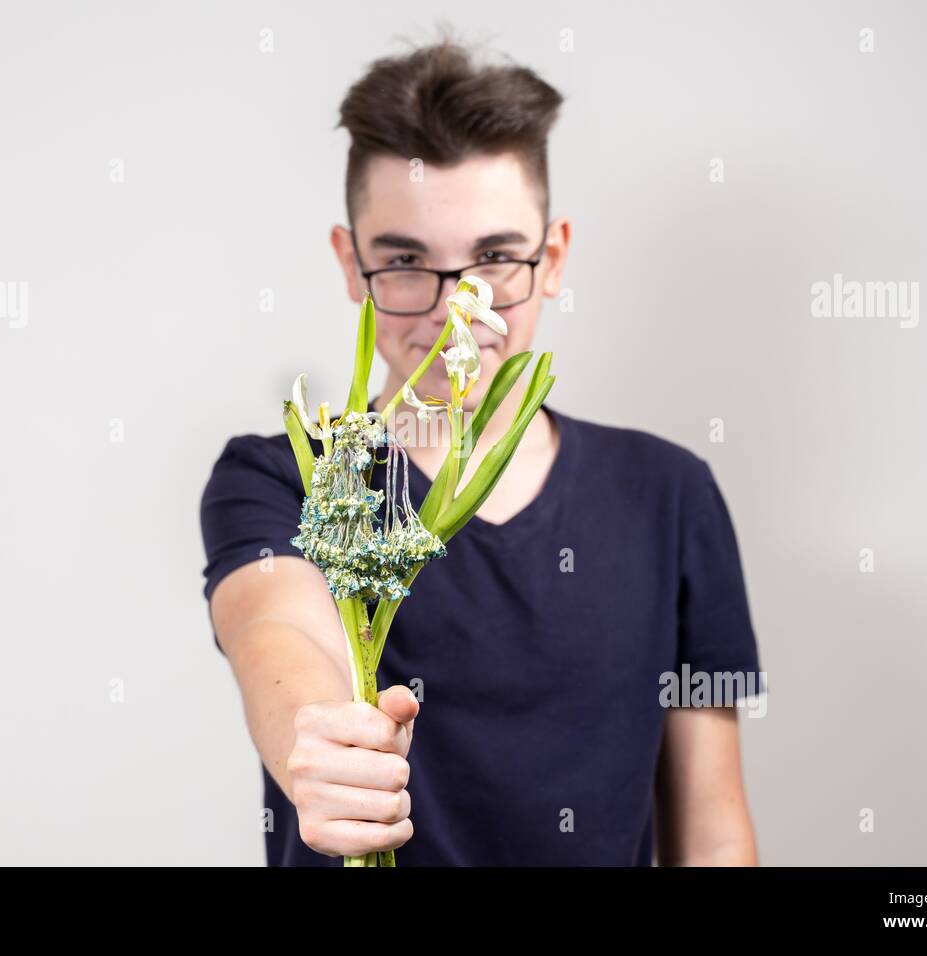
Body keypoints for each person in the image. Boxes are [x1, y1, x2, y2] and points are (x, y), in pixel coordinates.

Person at [200, 35, 765, 866]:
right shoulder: (289, 473)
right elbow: (276, 631)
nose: (454, 312)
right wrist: (318, 751)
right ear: (351, 266)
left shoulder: (669, 494)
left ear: (553, 256)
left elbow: (711, 825)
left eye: (496, 259)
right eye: (403, 261)